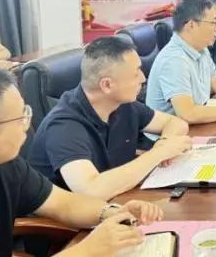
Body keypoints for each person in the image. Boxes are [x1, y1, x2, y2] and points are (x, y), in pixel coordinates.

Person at [0, 65, 164, 256]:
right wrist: (88, 250)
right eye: (20, 117)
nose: (27, 125)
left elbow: (63, 204)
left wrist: (114, 212)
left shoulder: (3, 165)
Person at [30, 37, 191, 200]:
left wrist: (164, 143)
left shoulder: (121, 104)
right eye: (135, 73)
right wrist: (158, 154)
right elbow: (91, 191)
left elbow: (175, 123)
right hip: (75, 213)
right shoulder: (64, 126)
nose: (143, 78)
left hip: (117, 200)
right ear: (107, 85)